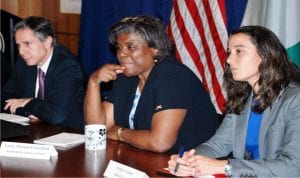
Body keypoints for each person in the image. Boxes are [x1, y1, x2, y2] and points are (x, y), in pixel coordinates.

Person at [168, 26, 300, 177]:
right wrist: (188, 160)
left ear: (265, 55)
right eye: (229, 52)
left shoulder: (295, 99)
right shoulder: (243, 97)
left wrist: (226, 166)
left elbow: (293, 167)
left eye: (239, 51)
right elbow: (218, 144)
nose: (229, 60)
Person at [84, 15, 219, 153]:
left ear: (155, 49)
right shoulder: (126, 76)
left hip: (191, 164)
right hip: (145, 159)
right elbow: (97, 129)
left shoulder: (174, 77)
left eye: (131, 46)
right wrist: (93, 82)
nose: (122, 54)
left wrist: (120, 133)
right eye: (119, 47)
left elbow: (159, 143)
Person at [1, 16, 87, 130]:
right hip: (37, 131)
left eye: (27, 44)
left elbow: (55, 115)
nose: (21, 52)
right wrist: (27, 111)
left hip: (70, 134)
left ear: (47, 41)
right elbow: (4, 99)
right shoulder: (24, 63)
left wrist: (28, 102)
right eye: (18, 45)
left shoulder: (68, 66)